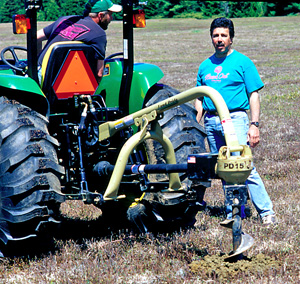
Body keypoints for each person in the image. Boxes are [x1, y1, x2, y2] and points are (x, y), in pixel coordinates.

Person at [195, 17, 277, 225]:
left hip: (235, 119)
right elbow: (199, 97)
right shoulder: (205, 65)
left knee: (244, 166)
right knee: (224, 168)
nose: (219, 39)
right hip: (211, 121)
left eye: (224, 35)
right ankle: (235, 211)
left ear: (231, 39)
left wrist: (254, 124)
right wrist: (197, 122)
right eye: (216, 35)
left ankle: (266, 212)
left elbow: (254, 95)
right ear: (211, 38)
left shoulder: (243, 62)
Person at [37, 0, 122, 83]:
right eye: (110, 15)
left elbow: (36, 37)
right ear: (101, 15)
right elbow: (99, 73)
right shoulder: (99, 34)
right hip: (62, 82)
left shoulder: (65, 20)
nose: (111, 18)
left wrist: (39, 60)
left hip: (39, 74)